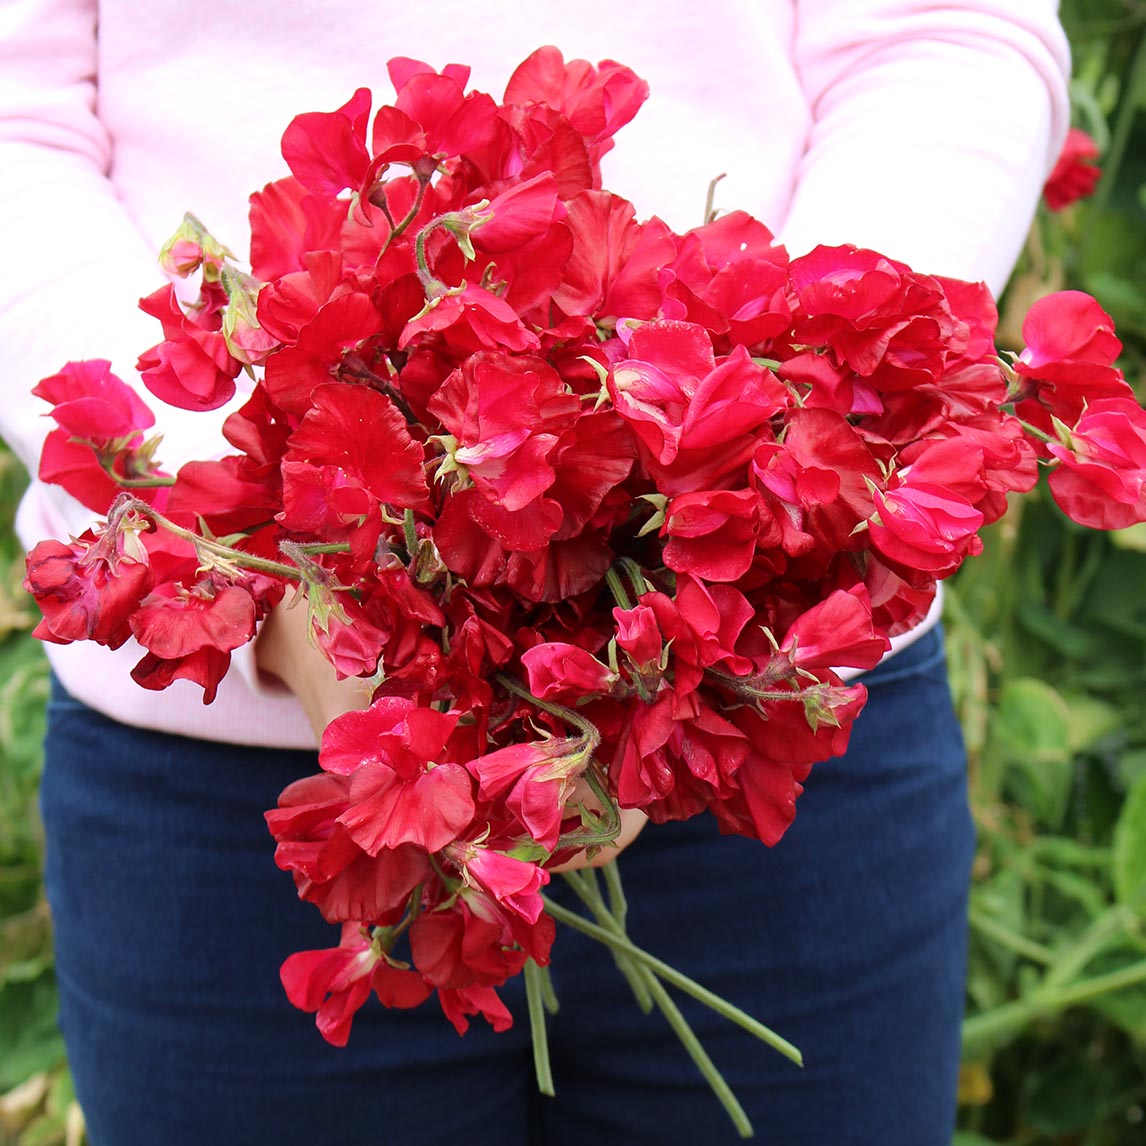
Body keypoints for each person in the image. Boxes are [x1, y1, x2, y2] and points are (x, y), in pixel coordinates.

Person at [0, 2, 1071, 1143]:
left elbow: (944, 31)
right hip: (231, 806)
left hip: (777, 706)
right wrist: (284, 563)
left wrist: (778, 437)